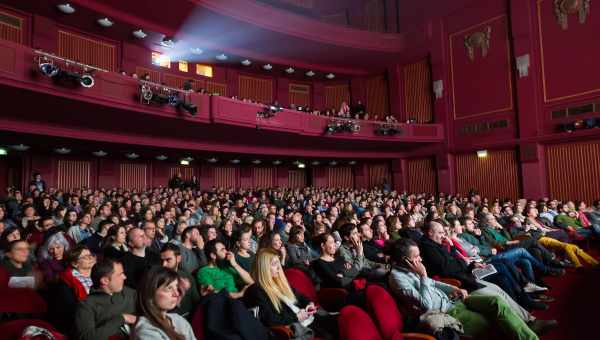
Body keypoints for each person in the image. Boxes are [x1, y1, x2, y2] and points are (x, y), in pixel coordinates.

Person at [388, 239, 557, 339]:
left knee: (495, 301)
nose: (420, 259)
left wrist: (453, 289)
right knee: (492, 323)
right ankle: (528, 335)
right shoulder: (397, 278)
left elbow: (434, 284)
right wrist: (423, 276)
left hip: (454, 300)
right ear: (405, 260)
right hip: (446, 313)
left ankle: (528, 329)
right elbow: (426, 305)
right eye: (416, 257)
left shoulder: (412, 269)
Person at [249, 248, 336, 339]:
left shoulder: (280, 282)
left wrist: (309, 304)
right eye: (274, 264)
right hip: (300, 327)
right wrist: (296, 317)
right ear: (264, 268)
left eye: (278, 263)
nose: (279, 267)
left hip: (310, 318)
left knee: (340, 322)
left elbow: (302, 297)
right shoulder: (257, 291)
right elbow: (271, 320)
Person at [74, 258, 137, 340]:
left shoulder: (128, 292)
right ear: (105, 281)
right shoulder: (87, 305)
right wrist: (122, 319)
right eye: (120, 274)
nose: (124, 277)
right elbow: (86, 337)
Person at [132, 266, 197, 340]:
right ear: (151, 293)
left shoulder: (179, 320)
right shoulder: (145, 329)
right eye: (169, 288)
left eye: (176, 287)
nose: (176, 294)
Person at [160, 243, 201, 318]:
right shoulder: (158, 279)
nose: (164, 264)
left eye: (168, 260)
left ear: (178, 258)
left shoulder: (187, 277)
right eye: (162, 260)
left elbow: (196, 301)